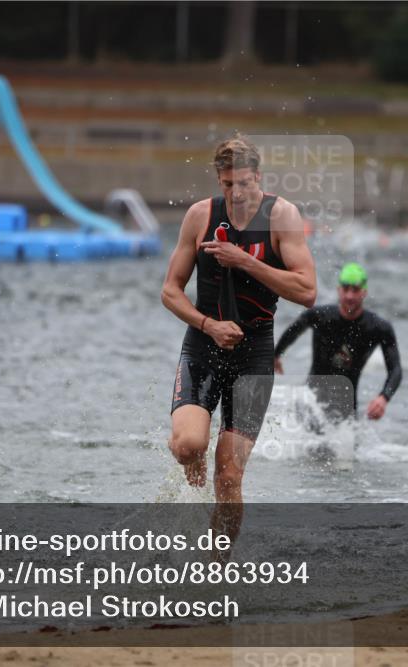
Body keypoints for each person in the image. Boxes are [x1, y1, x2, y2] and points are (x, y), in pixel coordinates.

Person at [161, 136, 316, 515]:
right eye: (229, 185)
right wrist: (207, 324)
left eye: (245, 183)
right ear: (219, 179)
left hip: (253, 357)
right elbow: (170, 291)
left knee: (228, 478)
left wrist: (245, 261)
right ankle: (191, 452)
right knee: (189, 447)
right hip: (203, 345)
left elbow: (308, 290)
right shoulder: (201, 215)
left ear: (258, 176)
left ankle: (217, 570)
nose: (238, 193)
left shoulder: (282, 217)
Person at [273, 263, 402, 421]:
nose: (349, 296)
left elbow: (396, 370)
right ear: (338, 290)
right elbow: (292, 332)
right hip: (312, 405)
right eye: (345, 289)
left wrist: (383, 398)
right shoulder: (319, 316)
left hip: (347, 412)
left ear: (364, 292)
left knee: (346, 442)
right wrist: (276, 354)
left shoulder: (378, 327)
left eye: (355, 290)